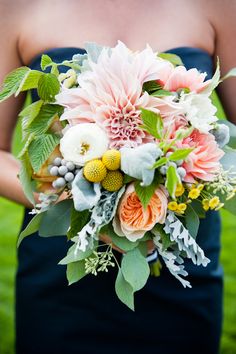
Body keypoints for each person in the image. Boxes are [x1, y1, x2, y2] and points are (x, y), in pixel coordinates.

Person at [0, 1, 236, 353]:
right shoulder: (14, 7)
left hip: (181, 271)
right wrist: (83, 203)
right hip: (61, 270)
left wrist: (186, 178)